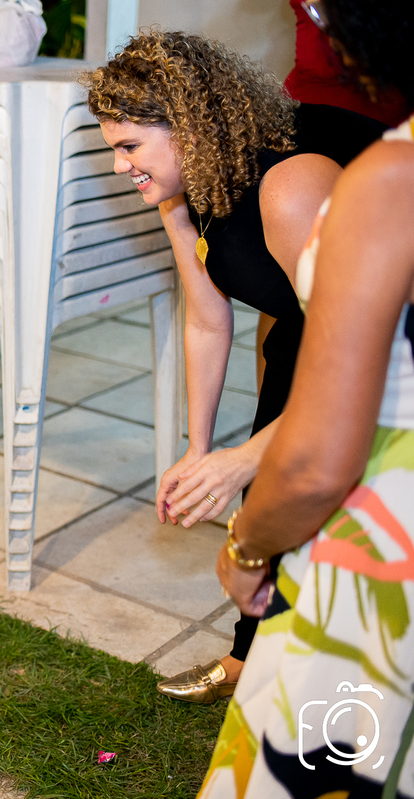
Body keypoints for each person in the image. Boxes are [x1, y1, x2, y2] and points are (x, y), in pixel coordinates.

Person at [83, 31, 386, 704]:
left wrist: (247, 457)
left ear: (186, 129)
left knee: (335, 499)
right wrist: (202, 449)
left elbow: (365, 358)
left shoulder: (291, 190)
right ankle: (253, 662)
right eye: (113, 148)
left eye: (129, 146)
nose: (118, 167)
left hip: (392, 342)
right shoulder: (179, 195)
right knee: (266, 489)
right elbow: (206, 317)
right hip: (317, 324)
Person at [200, 1, 414, 795]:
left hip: (389, 562)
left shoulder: (388, 182)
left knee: (334, 760)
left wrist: (248, 547)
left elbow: (319, 459)